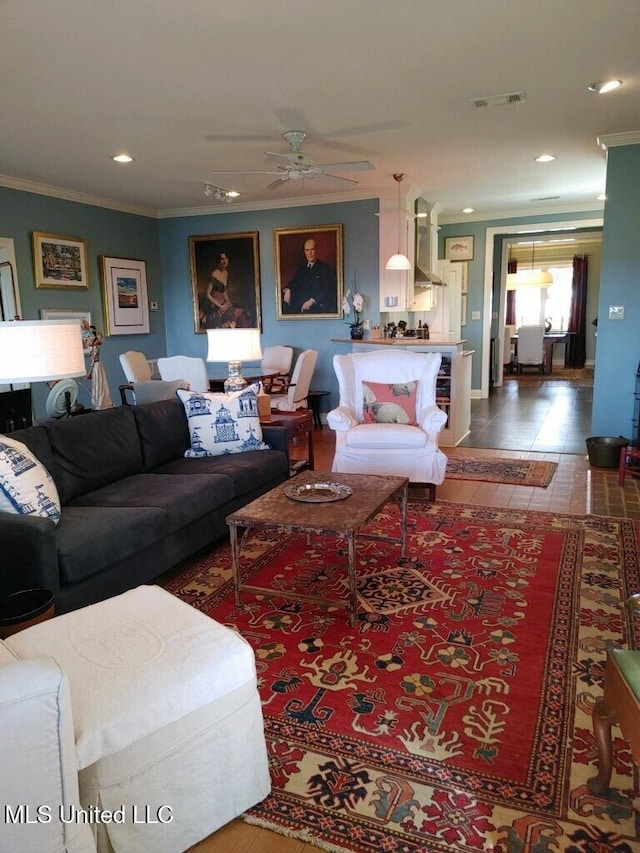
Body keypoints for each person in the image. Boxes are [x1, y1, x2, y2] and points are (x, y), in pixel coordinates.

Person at [282, 238, 337, 314]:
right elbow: (294, 282)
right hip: (299, 307)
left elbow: (327, 289)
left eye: (312, 250)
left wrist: (313, 300)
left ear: (317, 250)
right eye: (307, 250)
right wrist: (288, 289)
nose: (309, 253)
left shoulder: (325, 268)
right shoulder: (302, 268)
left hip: (316, 307)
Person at [200, 251, 252, 329]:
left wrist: (228, 302)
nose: (224, 261)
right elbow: (208, 295)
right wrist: (220, 306)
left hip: (223, 303)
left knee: (241, 312)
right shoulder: (215, 274)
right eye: (222, 259)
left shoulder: (225, 273)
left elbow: (223, 291)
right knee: (231, 317)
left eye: (226, 258)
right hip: (214, 305)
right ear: (218, 261)